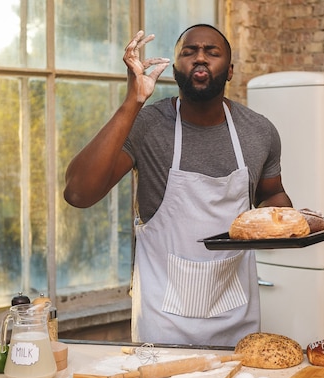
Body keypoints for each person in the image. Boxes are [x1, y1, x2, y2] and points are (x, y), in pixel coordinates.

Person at [64, 24, 293, 346]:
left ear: (229, 71)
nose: (200, 58)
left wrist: (291, 223)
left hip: (237, 313)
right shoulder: (147, 125)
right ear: (174, 70)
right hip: (164, 320)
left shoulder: (258, 131)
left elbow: (272, 194)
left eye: (211, 52)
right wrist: (134, 100)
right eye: (189, 52)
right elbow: (78, 193)